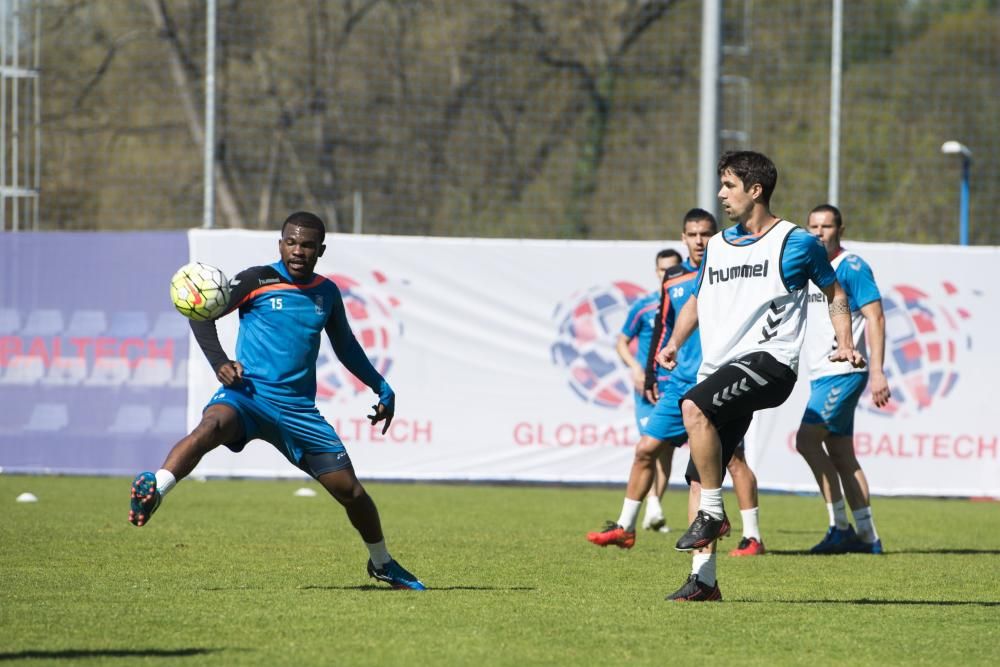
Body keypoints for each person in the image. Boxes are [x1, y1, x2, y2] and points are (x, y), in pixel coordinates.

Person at [128, 211, 426, 591]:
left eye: (306, 245)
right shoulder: (256, 280)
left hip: (298, 411)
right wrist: (220, 363)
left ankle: (382, 563)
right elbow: (203, 312)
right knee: (210, 426)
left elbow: (346, 347)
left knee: (351, 493)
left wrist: (381, 387)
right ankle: (156, 488)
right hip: (248, 396)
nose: (297, 250)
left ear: (320, 249)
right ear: (280, 243)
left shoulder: (327, 293)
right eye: (290, 242)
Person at [657, 152, 864, 601]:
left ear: (755, 191)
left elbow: (835, 291)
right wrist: (674, 342)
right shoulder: (717, 246)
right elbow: (696, 299)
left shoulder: (795, 242)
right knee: (698, 476)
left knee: (692, 406)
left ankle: (714, 514)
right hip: (723, 367)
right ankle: (704, 580)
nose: (720, 195)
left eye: (728, 186)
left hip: (770, 363)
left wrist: (844, 341)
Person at [587, 209, 766, 557]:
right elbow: (662, 327)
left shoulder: (734, 271)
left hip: (720, 383)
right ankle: (625, 527)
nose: (700, 240)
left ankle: (753, 537)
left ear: (717, 236)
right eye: (693, 234)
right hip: (680, 382)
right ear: (683, 238)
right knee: (645, 450)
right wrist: (652, 373)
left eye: (706, 233)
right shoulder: (673, 279)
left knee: (732, 462)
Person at [796, 204, 891, 554]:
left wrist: (878, 371)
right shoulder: (810, 269)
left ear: (840, 230)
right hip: (821, 373)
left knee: (806, 441)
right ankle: (868, 537)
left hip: (845, 371)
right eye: (813, 227)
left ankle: (839, 527)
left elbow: (876, 318)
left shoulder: (851, 267)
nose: (819, 233)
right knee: (840, 452)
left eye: (826, 226)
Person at [616, 248, 682, 532]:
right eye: (662, 270)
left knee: (665, 448)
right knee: (648, 444)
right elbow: (621, 341)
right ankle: (648, 508)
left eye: (672, 269)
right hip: (648, 385)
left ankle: (654, 505)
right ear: (656, 272)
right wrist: (635, 368)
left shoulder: (688, 303)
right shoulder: (643, 306)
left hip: (676, 385)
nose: (667, 274)